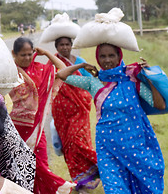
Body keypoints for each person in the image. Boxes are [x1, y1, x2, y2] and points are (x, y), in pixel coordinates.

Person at [57, 43, 165, 194]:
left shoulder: (131, 80)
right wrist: (81, 65)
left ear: (119, 56)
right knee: (115, 189)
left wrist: (150, 76)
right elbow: (62, 75)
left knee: (144, 186)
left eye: (111, 55)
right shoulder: (93, 82)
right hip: (107, 148)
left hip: (135, 145)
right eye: (102, 56)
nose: (107, 60)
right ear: (97, 58)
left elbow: (159, 104)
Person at [9, 37, 75, 194]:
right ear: (14, 54)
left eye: (29, 54)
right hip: (15, 132)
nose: (26, 58)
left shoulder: (41, 70)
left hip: (37, 131)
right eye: (22, 55)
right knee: (19, 170)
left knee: (41, 166)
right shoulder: (9, 72)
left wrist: (46, 53)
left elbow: (62, 69)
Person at [50, 37, 100, 191]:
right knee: (69, 147)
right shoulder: (53, 62)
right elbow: (49, 81)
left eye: (67, 44)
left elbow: (90, 82)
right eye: (61, 45)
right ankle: (80, 182)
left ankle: (102, 166)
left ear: (71, 45)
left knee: (79, 141)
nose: (64, 47)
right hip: (61, 110)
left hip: (80, 108)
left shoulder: (80, 61)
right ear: (57, 47)